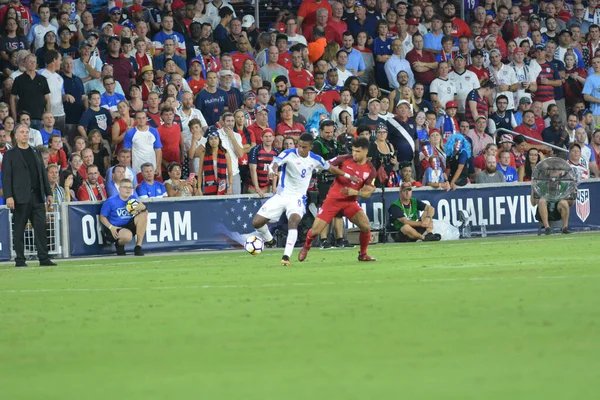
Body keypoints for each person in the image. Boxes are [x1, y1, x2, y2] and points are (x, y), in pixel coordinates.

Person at [253, 133, 358, 266]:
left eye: (304, 147)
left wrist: (349, 176)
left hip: (298, 198)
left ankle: (286, 256)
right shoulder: (289, 153)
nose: (300, 149)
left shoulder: (315, 159)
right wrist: (272, 170)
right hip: (282, 195)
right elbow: (275, 162)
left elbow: (331, 168)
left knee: (293, 221)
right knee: (257, 223)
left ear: (310, 147)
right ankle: (270, 241)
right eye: (299, 146)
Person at [299, 137, 377, 263]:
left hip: (350, 202)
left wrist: (355, 192)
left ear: (365, 152)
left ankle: (363, 254)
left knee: (366, 226)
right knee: (315, 231)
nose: (354, 154)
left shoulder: (370, 170)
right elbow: (326, 165)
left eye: (357, 151)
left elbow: (368, 192)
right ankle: (306, 246)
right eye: (353, 150)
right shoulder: (344, 159)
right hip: (333, 200)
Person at [2, 124, 55, 267]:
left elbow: (43, 174)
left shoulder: (35, 152)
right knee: (19, 229)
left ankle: (44, 258)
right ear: (16, 135)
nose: (25, 134)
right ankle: (20, 260)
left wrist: (48, 193)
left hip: (37, 197)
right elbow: (6, 177)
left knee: (40, 228)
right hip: (20, 198)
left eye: (26, 132)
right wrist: (9, 196)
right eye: (22, 132)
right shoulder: (9, 155)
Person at [99, 178, 148, 256]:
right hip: (115, 228)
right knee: (127, 236)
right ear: (119, 189)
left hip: (128, 225)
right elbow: (102, 217)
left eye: (130, 187)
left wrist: (143, 208)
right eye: (125, 187)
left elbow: (144, 212)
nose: (128, 190)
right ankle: (119, 245)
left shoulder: (133, 199)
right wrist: (111, 227)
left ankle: (138, 246)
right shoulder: (111, 201)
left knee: (143, 215)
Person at [123, 110, 163, 175]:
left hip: (152, 168)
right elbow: (127, 153)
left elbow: (158, 150)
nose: (141, 120)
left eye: (143, 118)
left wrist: (158, 167)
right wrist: (129, 169)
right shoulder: (130, 133)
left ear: (147, 119)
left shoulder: (154, 131)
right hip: (137, 169)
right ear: (135, 119)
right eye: (139, 118)